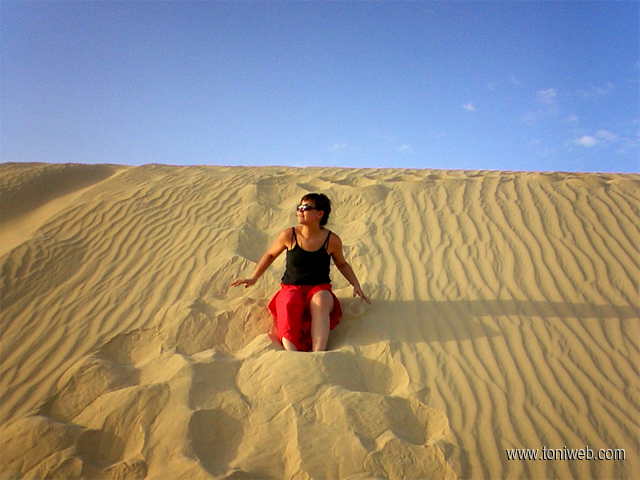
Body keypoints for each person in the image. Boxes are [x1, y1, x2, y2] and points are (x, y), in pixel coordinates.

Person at [231, 193, 370, 352]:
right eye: (299, 207)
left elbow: (342, 264)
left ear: (320, 213)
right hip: (291, 287)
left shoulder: (331, 240)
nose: (300, 211)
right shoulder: (289, 235)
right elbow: (270, 255)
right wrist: (254, 277)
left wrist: (356, 284)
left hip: (319, 288)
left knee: (321, 301)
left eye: (306, 207)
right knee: (289, 301)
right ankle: (290, 353)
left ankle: (318, 353)